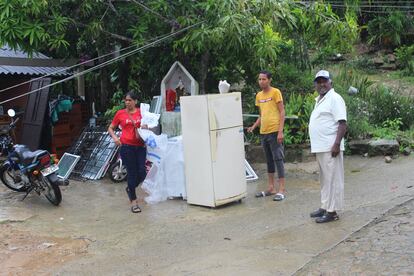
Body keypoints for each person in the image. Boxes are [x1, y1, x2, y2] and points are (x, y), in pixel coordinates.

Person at [309, 70, 347, 223]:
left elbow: (342, 123)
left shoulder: (335, 99)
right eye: (318, 82)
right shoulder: (319, 99)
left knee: (333, 179)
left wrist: (337, 144)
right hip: (321, 147)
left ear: (331, 82)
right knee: (324, 179)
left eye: (324, 81)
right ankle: (325, 206)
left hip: (331, 147)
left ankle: (332, 212)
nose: (321, 84)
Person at [248, 70, 286, 201]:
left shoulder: (276, 92)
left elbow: (282, 112)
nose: (261, 81)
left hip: (275, 131)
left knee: (278, 159)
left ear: (269, 80)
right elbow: (261, 114)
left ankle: (281, 189)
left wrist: (280, 131)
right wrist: (254, 126)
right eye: (259, 79)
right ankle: (271, 188)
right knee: (269, 160)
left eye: (264, 79)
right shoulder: (259, 96)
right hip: (263, 132)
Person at [108, 91, 147, 213]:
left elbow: (151, 125)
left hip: (141, 147)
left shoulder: (142, 112)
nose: (127, 102)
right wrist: (115, 138)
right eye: (126, 100)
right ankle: (134, 202)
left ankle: (130, 188)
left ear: (135, 101)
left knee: (142, 172)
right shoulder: (120, 113)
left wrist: (147, 127)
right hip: (127, 147)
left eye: (130, 100)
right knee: (131, 173)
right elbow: (110, 128)